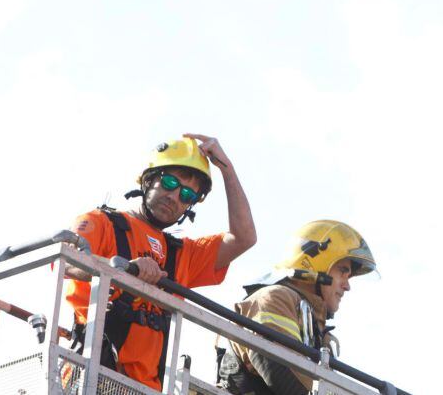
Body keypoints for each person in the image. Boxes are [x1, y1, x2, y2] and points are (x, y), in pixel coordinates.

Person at [65, 134, 257, 391]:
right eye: (169, 182)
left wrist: (227, 170)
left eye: (187, 195)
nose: (175, 197)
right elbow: (65, 262)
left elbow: (244, 238)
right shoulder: (101, 223)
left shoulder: (182, 254)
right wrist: (120, 268)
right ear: (148, 180)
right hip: (91, 378)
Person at [219, 220, 376, 395]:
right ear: (314, 262)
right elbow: (284, 375)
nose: (347, 286)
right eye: (342, 271)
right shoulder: (275, 298)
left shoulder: (317, 327)